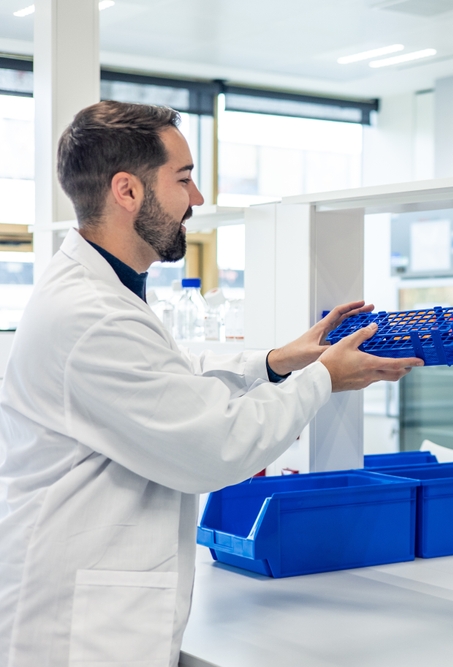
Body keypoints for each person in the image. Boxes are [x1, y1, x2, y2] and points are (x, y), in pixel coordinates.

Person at [0, 101, 421, 667]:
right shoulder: (93, 314)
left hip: (96, 603)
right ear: (126, 191)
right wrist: (323, 378)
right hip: (79, 628)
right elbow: (215, 446)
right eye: (184, 178)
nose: (195, 200)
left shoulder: (102, 292)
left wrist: (278, 362)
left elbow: (169, 391)